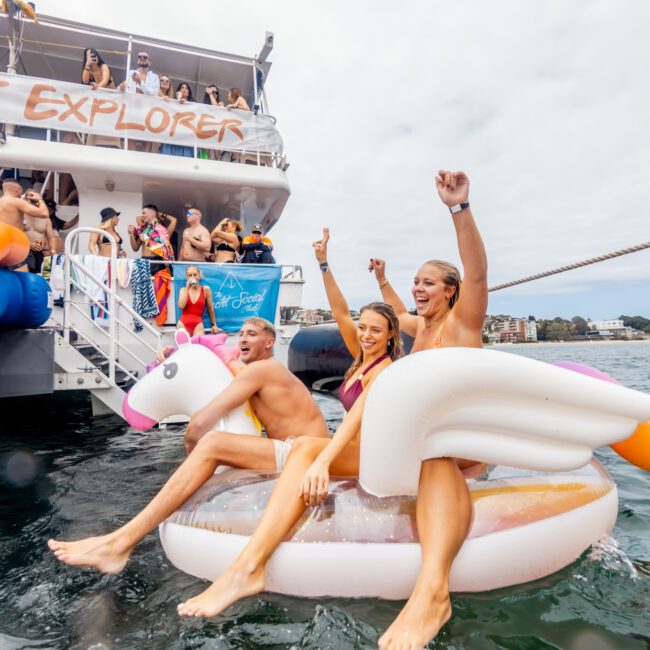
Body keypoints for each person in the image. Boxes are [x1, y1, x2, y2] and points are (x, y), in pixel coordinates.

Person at [174, 232, 402, 617]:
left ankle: (248, 567)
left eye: (375, 330)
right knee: (305, 448)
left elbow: (358, 420)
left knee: (305, 447)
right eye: (363, 328)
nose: (365, 334)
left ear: (391, 335)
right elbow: (340, 311)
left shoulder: (385, 370)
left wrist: (323, 461)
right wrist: (324, 264)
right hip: (350, 447)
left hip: (371, 455)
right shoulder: (360, 356)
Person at [47, 317, 330, 574]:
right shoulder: (260, 369)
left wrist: (193, 451)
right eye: (240, 333)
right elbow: (220, 362)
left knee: (212, 443)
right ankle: (118, 541)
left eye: (252, 334)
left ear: (270, 342)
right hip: (299, 450)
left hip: (305, 454)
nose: (242, 338)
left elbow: (199, 423)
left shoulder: (260, 371)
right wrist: (172, 356)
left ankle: (120, 543)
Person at [367, 169, 488, 650]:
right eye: (417, 282)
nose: (420, 289)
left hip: (456, 449)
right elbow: (396, 311)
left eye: (429, 283)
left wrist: (458, 208)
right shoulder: (420, 330)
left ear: (450, 292)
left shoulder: (462, 324)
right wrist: (383, 280)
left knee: (432, 454)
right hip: (423, 442)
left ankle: (434, 592)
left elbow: (476, 272)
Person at [0, 179, 48, 271]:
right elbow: (43, 213)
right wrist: (39, 199)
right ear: (17, 189)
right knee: (22, 275)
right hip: (13, 243)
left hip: (1, 241)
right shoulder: (17, 201)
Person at [119, 51, 159, 152]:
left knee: (147, 141)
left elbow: (153, 94)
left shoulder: (154, 77)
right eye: (139, 57)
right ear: (137, 60)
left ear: (149, 62)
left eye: (145, 57)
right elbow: (123, 89)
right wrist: (121, 88)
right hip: (132, 110)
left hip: (147, 112)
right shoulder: (130, 73)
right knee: (131, 138)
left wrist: (140, 83)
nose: (142, 58)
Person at [128, 204, 177, 271]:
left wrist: (147, 240)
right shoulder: (143, 229)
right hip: (143, 261)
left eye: (144, 213)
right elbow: (135, 248)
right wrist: (131, 235)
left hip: (157, 262)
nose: (142, 215)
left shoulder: (161, 230)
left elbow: (164, 249)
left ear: (152, 214)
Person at [177, 265, 217, 336]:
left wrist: (214, 324)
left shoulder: (205, 289)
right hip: (183, 323)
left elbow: (210, 308)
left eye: (195, 275)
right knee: (183, 346)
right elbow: (181, 306)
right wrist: (187, 288)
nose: (193, 277)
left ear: (199, 276)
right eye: (190, 275)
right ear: (187, 277)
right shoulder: (183, 290)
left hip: (198, 324)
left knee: (198, 346)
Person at [24, 194, 57, 273]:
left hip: (39, 252)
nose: (35, 203)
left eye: (37, 201)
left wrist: (53, 250)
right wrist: (28, 243)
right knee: (25, 276)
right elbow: (14, 233)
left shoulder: (45, 219)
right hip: (23, 251)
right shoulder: (20, 215)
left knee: (45, 275)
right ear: (25, 200)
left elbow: (51, 237)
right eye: (32, 201)